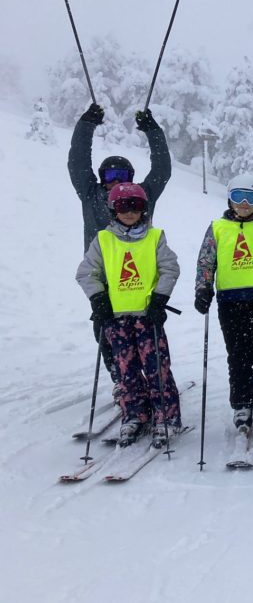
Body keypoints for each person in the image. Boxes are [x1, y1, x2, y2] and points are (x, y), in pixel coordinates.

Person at [68, 104, 172, 393]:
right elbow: (78, 162)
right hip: (104, 273)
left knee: (144, 331)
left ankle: (151, 381)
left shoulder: (142, 197)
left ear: (131, 177)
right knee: (105, 328)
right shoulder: (91, 194)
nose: (116, 182)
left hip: (139, 277)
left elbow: (162, 169)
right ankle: (121, 378)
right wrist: (86, 124)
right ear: (102, 178)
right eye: (110, 175)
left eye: (122, 175)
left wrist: (152, 130)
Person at [75, 183, 182, 448]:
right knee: (127, 369)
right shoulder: (103, 240)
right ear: (114, 210)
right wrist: (98, 299)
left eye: (136, 206)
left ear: (144, 209)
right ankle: (135, 414)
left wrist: (160, 298)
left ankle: (166, 417)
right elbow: (86, 273)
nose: (130, 212)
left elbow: (170, 268)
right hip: (117, 318)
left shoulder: (155, 237)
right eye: (124, 207)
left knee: (157, 367)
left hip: (147, 317)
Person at [194, 174, 253, 434]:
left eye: (251, 198)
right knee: (237, 356)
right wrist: (203, 289)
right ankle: (242, 403)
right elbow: (206, 262)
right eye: (238, 197)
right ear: (229, 198)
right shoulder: (218, 227)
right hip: (230, 301)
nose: (244, 204)